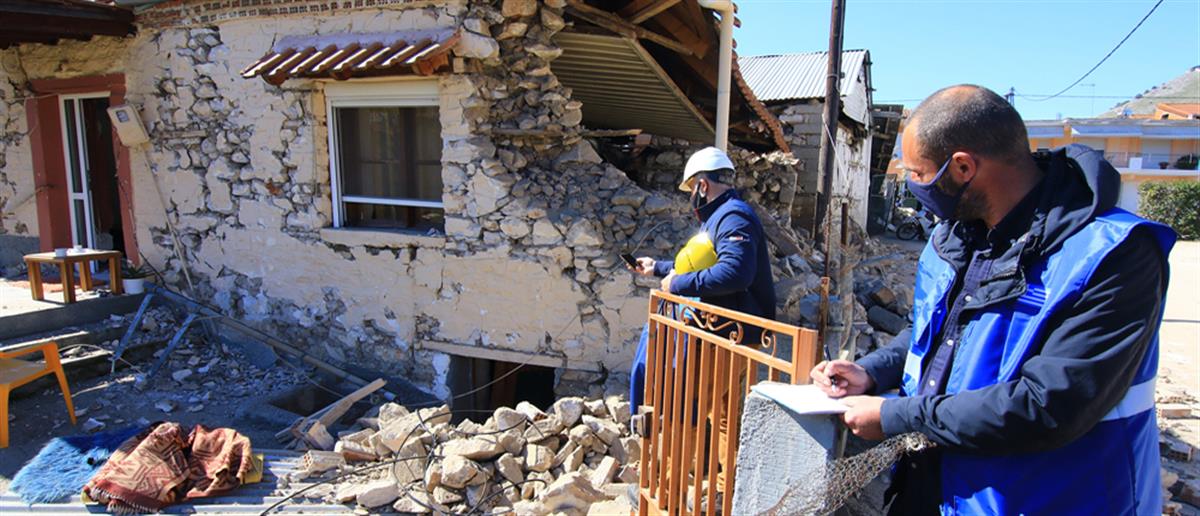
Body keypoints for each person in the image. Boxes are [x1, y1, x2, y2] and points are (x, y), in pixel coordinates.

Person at [810, 85, 1175, 515]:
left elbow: (1049, 406)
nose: (914, 184)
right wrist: (871, 372)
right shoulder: (956, 235)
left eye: (919, 173)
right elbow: (931, 331)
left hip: (1043, 501)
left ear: (962, 167)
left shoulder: (1113, 254)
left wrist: (896, 416)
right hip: (935, 485)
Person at [627, 146, 776, 408]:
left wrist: (676, 283)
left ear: (703, 186)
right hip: (729, 331)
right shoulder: (721, 216)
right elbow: (705, 264)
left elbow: (735, 273)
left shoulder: (733, 217)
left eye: (692, 189)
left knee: (694, 410)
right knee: (722, 412)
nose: (691, 197)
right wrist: (658, 267)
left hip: (731, 334)